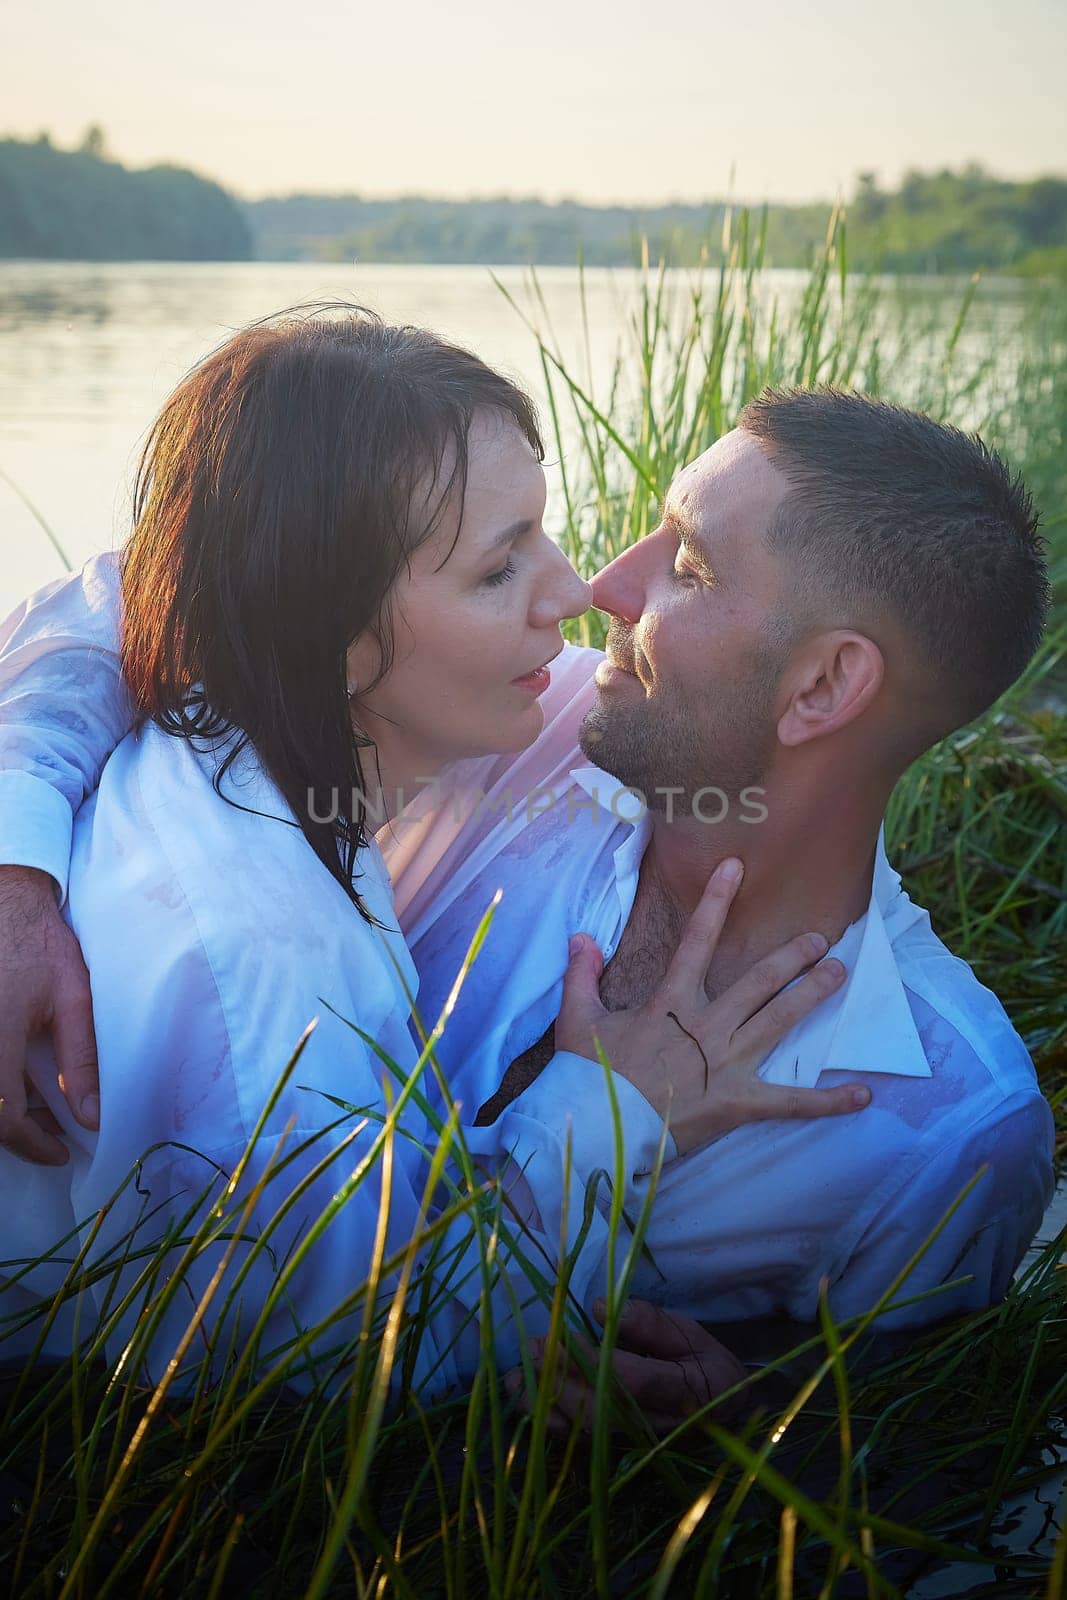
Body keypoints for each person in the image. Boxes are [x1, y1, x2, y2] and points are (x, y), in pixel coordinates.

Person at [0, 309, 860, 1398]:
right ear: (330, 632)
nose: (575, 592)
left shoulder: (223, 702)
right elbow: (349, 1362)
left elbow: (116, 587)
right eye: (499, 570)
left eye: (542, 534)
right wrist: (612, 1115)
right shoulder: (271, 975)